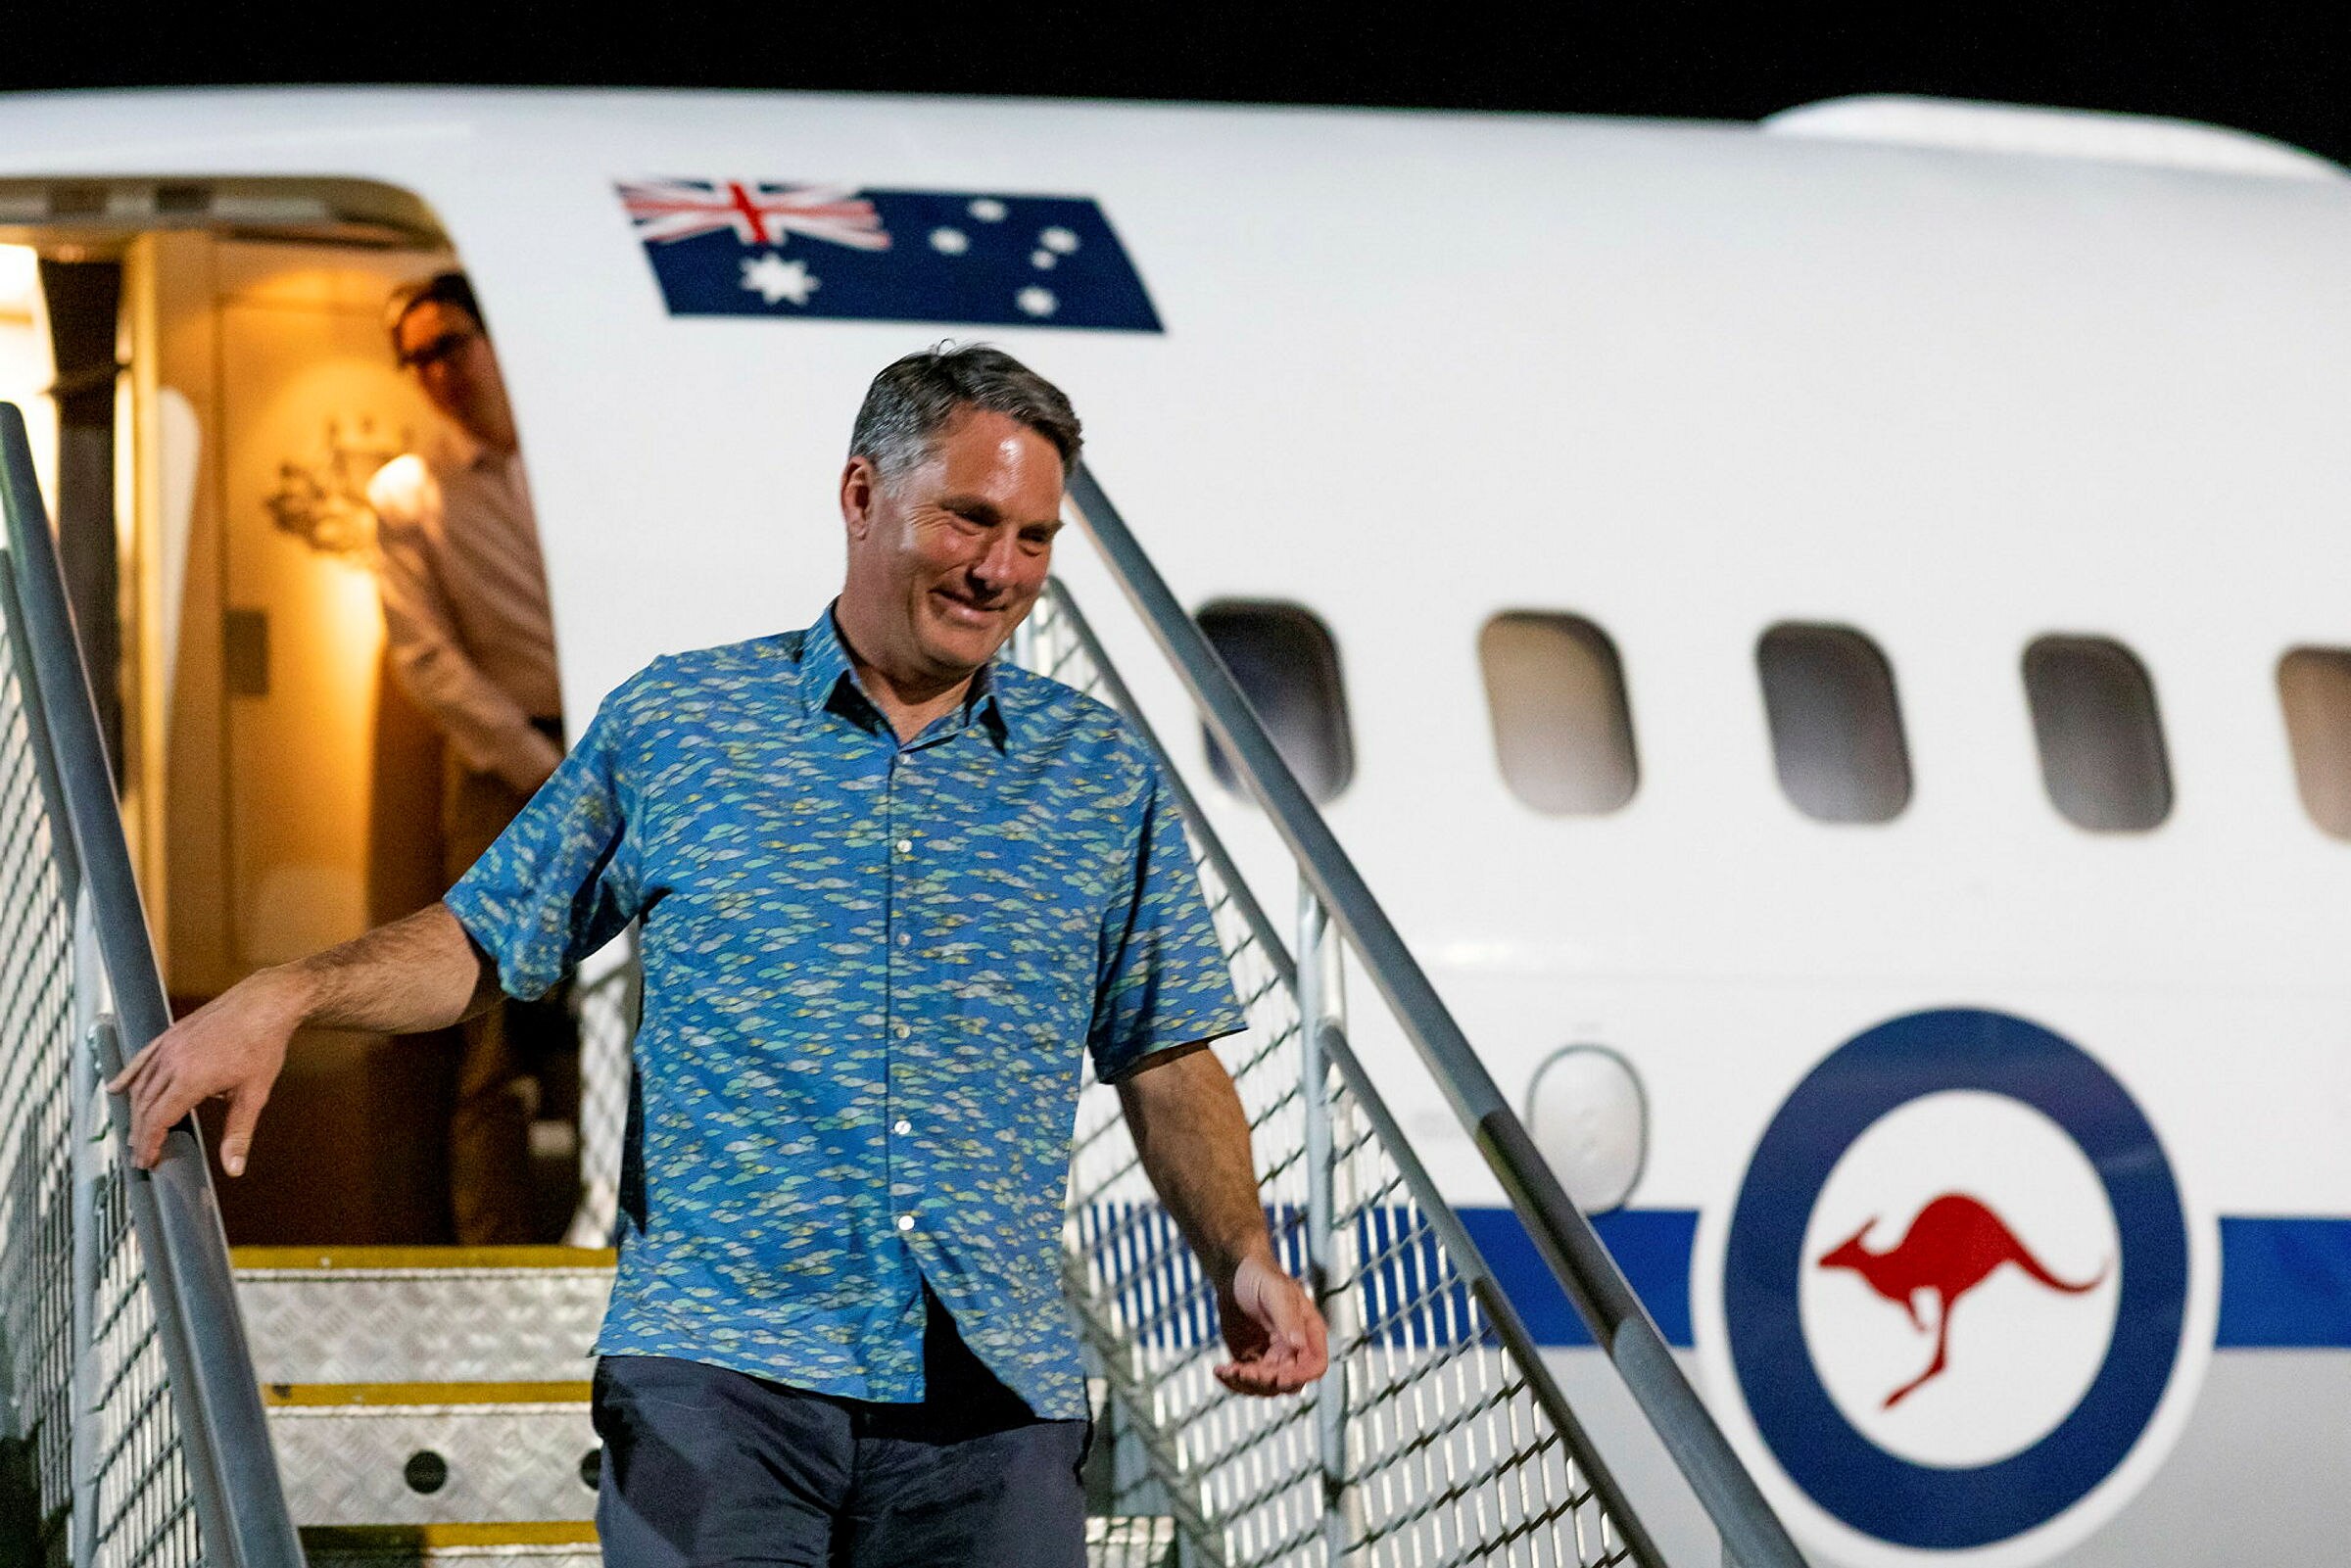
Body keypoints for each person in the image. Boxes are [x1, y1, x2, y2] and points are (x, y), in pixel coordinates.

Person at [114, 344, 1329, 1565]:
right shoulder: (681, 722)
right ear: (862, 496)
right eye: (969, 519)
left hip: (993, 1399)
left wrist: (1243, 1254)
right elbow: (481, 940)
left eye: (1033, 536)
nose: (999, 570)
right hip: (719, 1377)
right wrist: (290, 991)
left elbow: (1166, 1055)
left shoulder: (1098, 776)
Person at [369, 271, 570, 1244]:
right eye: (416, 357)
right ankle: (488, 1247)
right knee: (486, 1003)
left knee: (647, 996)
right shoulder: (410, 491)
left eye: (450, 344)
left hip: (619, 734)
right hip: (505, 762)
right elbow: (429, 661)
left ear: (495, 338)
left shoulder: (579, 453)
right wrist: (537, 762)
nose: (436, 371)